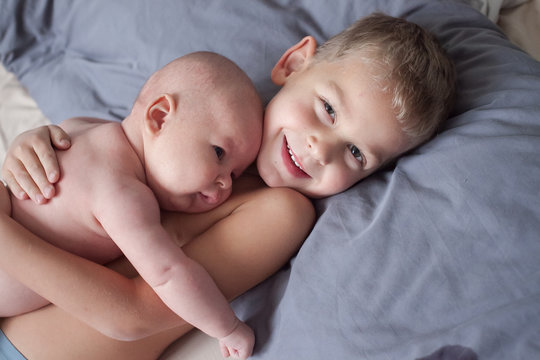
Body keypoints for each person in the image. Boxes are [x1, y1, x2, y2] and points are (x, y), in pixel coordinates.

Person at [0, 13, 455, 359]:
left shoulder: (278, 211)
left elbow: (133, 313)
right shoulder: (205, 116)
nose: (322, 150)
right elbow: (90, 152)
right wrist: (31, 146)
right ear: (294, 63)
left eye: (356, 154)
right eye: (329, 110)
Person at [0, 51, 264, 358]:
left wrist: (25, 141)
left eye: (234, 173)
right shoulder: (123, 194)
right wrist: (227, 327)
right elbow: (170, 275)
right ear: (159, 116)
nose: (227, 184)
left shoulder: (81, 127)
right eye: (219, 153)